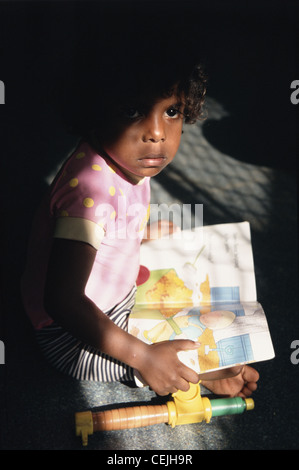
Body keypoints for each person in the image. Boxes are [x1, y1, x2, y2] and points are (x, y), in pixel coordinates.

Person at [21, 14, 259, 398]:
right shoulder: (91, 191)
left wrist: (137, 235)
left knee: (196, 291)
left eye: (172, 111)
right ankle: (185, 375)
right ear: (94, 109)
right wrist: (144, 358)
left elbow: (111, 225)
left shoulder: (124, 158)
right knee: (164, 350)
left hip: (110, 296)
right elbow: (61, 300)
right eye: (133, 111)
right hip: (68, 333)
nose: (156, 133)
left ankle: (196, 367)